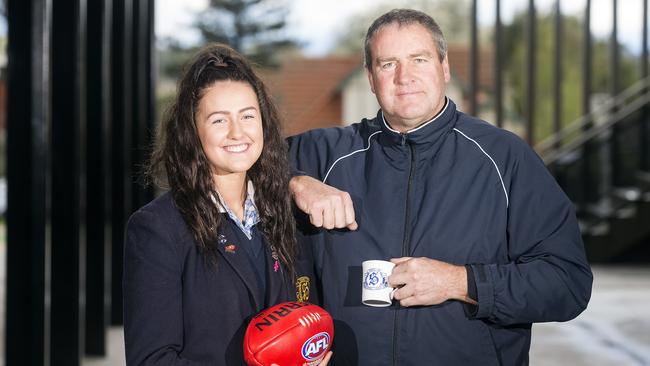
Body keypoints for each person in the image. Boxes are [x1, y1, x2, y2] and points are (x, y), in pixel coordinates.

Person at [288, 8, 593, 365]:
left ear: (444, 68)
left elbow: (567, 282)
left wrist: (460, 282)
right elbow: (231, 161)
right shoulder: (324, 155)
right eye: (388, 64)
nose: (405, 77)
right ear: (370, 78)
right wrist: (296, 182)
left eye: (419, 59)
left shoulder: (504, 158)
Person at [123, 44, 331, 365]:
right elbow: (152, 359)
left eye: (248, 116)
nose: (238, 132)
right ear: (192, 132)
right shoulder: (157, 228)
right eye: (219, 120)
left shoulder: (287, 215)